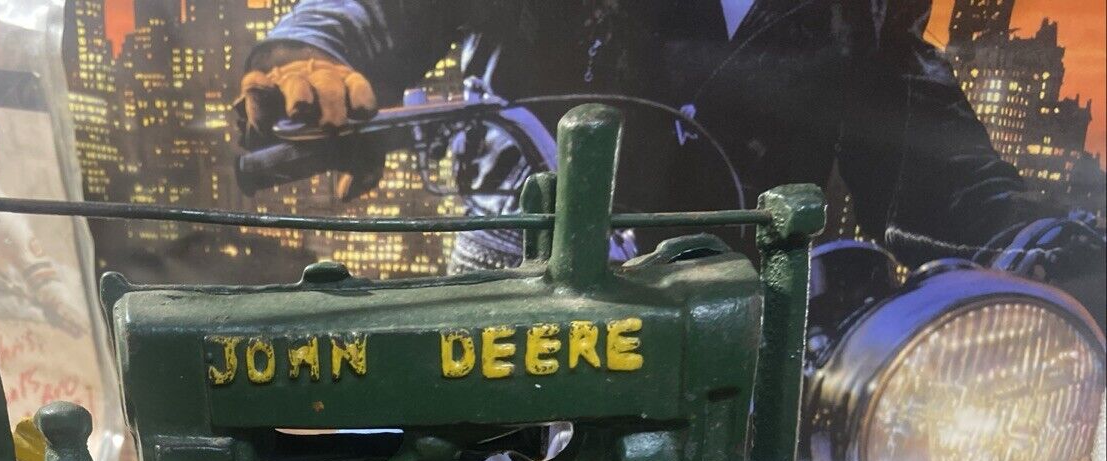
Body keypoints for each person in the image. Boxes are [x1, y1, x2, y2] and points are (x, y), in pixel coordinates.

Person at [233, 0, 1082, 275]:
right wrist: (308, 55)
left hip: (726, 333)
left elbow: (943, 172)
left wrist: (1053, 246)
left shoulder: (850, 9)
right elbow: (379, 12)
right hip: (519, 283)